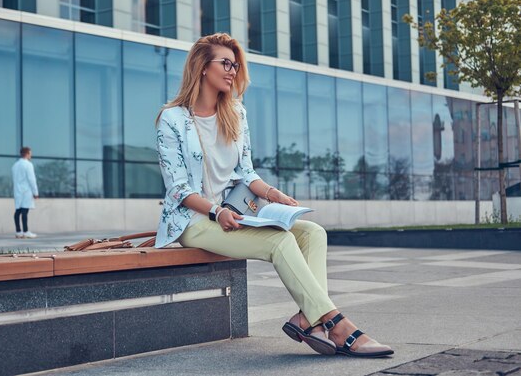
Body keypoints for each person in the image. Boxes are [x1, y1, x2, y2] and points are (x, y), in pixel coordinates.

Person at [155, 33, 393, 358]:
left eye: (235, 65)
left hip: (234, 212)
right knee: (279, 241)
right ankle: (336, 324)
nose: (232, 71)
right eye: (225, 63)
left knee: (313, 233)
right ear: (201, 67)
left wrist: (272, 193)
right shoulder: (172, 119)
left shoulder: (236, 113)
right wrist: (215, 212)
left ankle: (308, 318)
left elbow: (247, 173)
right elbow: (179, 189)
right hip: (194, 222)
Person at [12, 146, 39, 239]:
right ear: (27, 154)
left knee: (18, 211)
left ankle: (18, 232)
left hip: (17, 191)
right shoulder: (28, 165)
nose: (31, 156)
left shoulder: (15, 165)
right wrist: (36, 192)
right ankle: (26, 231)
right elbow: (32, 179)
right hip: (26, 190)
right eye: (30, 154)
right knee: (24, 211)